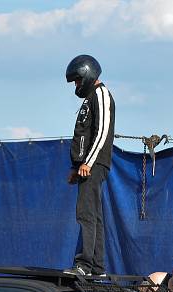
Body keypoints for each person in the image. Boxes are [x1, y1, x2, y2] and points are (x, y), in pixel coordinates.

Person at [63, 54, 115, 277]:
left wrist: (89, 162)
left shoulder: (101, 94)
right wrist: (76, 167)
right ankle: (97, 267)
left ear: (86, 73)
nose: (76, 85)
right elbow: (83, 134)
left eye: (77, 80)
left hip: (94, 164)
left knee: (86, 213)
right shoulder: (89, 98)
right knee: (93, 214)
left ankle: (85, 264)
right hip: (85, 165)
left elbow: (102, 131)